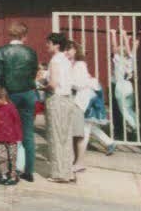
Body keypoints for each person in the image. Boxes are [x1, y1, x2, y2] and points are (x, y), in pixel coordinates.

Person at [0, 22, 39, 182]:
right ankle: (29, 170)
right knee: (28, 133)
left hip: (8, 95)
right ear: (24, 36)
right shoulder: (31, 53)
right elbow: (33, 73)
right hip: (28, 93)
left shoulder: (1, 52)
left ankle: (11, 170)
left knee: (8, 134)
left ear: (10, 34)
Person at [66, 41, 115, 170]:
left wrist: (67, 82)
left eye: (68, 49)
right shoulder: (73, 64)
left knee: (84, 129)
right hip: (82, 98)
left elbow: (80, 84)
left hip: (86, 99)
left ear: (75, 50)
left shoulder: (80, 65)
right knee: (86, 127)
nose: (66, 52)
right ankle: (109, 142)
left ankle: (79, 163)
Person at [42, 32, 83, 183]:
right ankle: (68, 171)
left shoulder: (55, 61)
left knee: (56, 136)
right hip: (68, 99)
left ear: (56, 45)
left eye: (49, 43)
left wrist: (42, 87)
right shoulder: (66, 60)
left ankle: (59, 173)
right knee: (66, 136)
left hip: (56, 99)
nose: (47, 45)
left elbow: (53, 83)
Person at [0, 84, 23, 185]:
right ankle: (4, 174)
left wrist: (18, 137)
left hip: (11, 138)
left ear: (4, 97)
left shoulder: (11, 108)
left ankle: (13, 176)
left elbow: (17, 123)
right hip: (0, 138)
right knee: (1, 157)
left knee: (12, 158)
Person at [110, 28, 138, 133]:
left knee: (124, 110)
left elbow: (114, 48)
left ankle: (135, 127)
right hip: (129, 86)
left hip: (120, 86)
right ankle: (136, 124)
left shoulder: (118, 60)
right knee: (129, 108)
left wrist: (113, 34)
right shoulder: (131, 59)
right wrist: (125, 37)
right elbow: (129, 49)